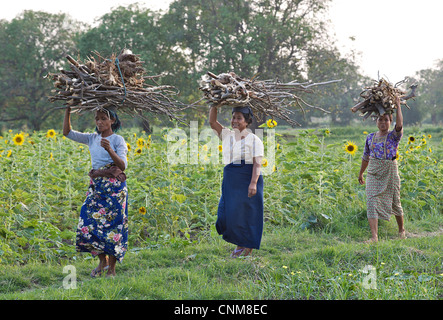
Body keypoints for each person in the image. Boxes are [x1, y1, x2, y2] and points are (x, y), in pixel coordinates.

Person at [63, 106, 129, 277]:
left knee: (114, 226)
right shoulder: (92, 138)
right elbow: (67, 132)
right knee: (89, 223)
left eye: (103, 119)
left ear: (112, 121)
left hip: (114, 188)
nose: (99, 122)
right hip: (97, 187)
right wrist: (68, 110)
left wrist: (109, 150)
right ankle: (102, 262)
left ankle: (112, 269)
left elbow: (122, 166)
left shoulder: (117, 140)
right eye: (97, 119)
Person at [209, 105, 264, 257]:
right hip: (231, 179)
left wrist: (253, 183)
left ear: (247, 121)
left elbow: (257, 163)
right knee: (225, 213)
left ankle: (244, 246)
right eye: (233, 117)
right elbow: (213, 122)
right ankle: (242, 243)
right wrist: (215, 103)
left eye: (239, 118)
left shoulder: (254, 139)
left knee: (245, 214)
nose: (235, 120)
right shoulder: (227, 135)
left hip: (248, 178)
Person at [358, 97, 406, 243]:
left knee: (395, 202)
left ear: (390, 121)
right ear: (376, 121)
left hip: (390, 171)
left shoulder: (393, 136)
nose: (383, 123)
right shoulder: (370, 137)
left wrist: (398, 106)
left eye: (386, 120)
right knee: (371, 201)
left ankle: (401, 229)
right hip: (373, 171)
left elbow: (400, 124)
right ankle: (374, 237)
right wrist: (360, 173)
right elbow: (366, 157)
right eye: (380, 120)